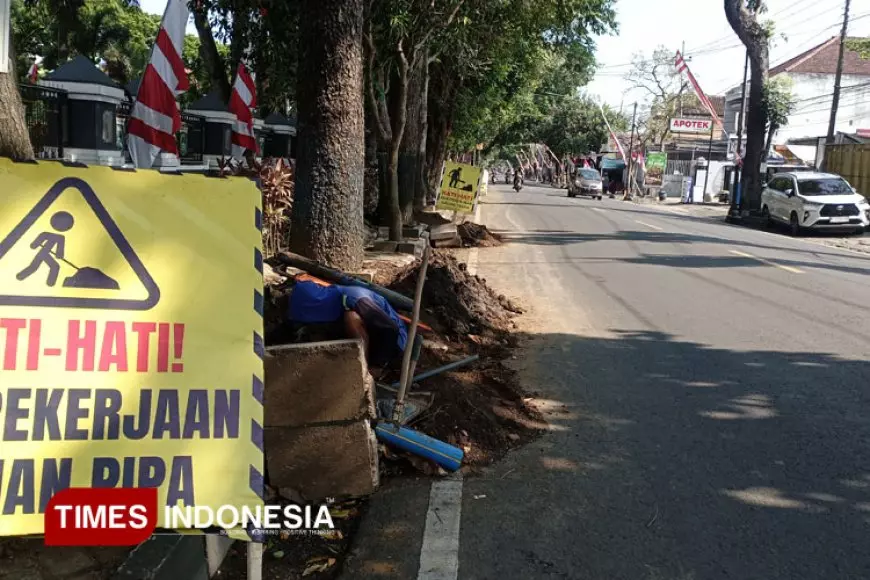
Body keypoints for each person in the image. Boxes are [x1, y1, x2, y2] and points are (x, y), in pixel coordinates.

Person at [288, 277, 407, 366]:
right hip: (372, 337)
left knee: (351, 318)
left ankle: (362, 367)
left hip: (393, 344)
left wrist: (377, 366)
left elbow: (390, 329)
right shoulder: (330, 299)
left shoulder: (357, 299)